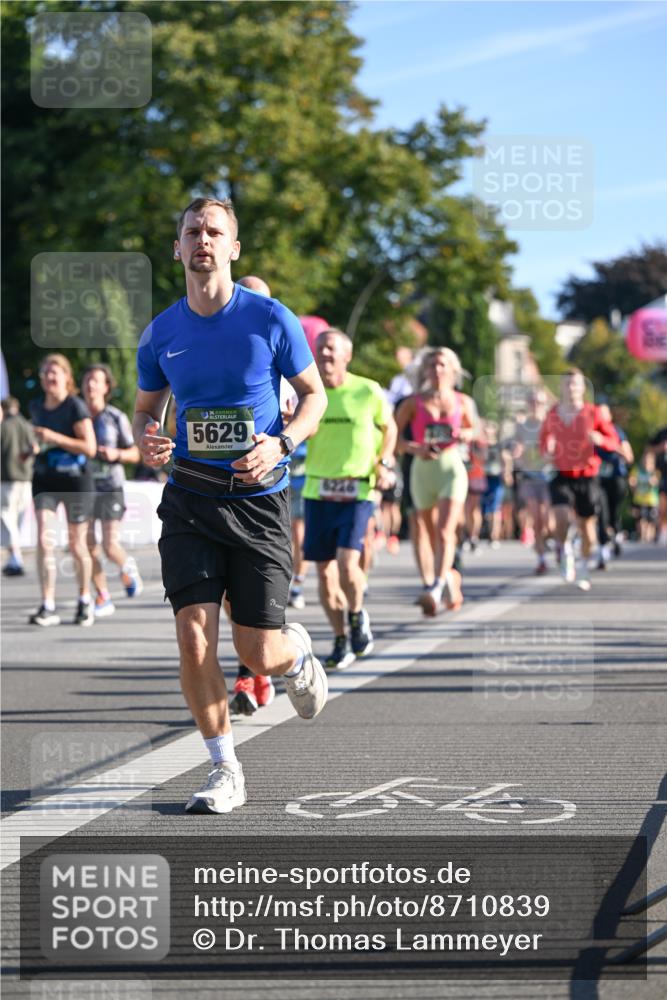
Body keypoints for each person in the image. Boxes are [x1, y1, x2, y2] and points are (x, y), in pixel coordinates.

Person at [133, 196, 328, 814]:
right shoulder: (161, 332)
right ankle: (224, 768)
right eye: (192, 230)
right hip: (189, 496)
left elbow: (313, 396)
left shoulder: (271, 319)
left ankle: (293, 657)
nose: (203, 239)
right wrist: (148, 435)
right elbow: (145, 409)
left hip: (260, 501)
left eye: (215, 231)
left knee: (255, 652)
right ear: (178, 247)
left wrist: (283, 443)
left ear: (233, 247)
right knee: (193, 639)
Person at [302, 328, 397, 670]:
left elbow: (390, 429)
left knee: (346, 563)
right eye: (319, 349)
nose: (324, 355)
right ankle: (340, 637)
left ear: (347, 354)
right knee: (325, 575)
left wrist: (385, 462)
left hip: (358, 488)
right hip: (317, 488)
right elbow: (305, 430)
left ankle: (356, 615)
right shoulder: (309, 391)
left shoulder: (367, 390)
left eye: (331, 349)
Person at [228, 275, 284, 716]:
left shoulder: (284, 345)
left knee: (259, 590)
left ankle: (263, 660)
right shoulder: (217, 346)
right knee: (227, 595)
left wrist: (286, 433)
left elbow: (313, 405)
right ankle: (250, 670)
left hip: (274, 487)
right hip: (215, 489)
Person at [395, 347, 476, 616]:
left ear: (452, 369)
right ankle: (449, 577)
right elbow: (393, 441)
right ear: (426, 371)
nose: (437, 370)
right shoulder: (412, 402)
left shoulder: (463, 401)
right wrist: (414, 448)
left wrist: (465, 433)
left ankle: (435, 588)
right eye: (432, 366)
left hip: (451, 468)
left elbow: (477, 429)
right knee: (428, 535)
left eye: (442, 365)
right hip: (422, 469)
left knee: (444, 531)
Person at [29, 354, 97, 626]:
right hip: (45, 478)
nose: (49, 377)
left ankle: (84, 599)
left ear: (67, 377)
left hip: (76, 480)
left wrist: (53, 437)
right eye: (45, 372)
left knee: (75, 543)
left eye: (54, 372)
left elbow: (90, 447)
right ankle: (47, 604)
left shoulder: (75, 406)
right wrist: (31, 449)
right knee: (44, 540)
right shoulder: (36, 406)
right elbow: (39, 441)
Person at [539, 368, 618, 590]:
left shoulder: (594, 413)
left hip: (587, 475)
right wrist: (547, 450)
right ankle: (564, 551)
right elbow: (543, 440)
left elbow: (613, 440)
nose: (571, 388)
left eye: (575, 384)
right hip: (561, 474)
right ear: (561, 387)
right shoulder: (553, 414)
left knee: (588, 532)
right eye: (567, 384)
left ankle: (583, 564)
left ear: (583, 388)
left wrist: (600, 438)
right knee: (561, 517)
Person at [80, 364, 143, 616]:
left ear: (106, 387)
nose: (90, 385)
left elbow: (135, 453)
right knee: (88, 546)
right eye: (87, 380)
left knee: (108, 544)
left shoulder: (114, 417)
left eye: (96, 380)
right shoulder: (75, 414)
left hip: (110, 487)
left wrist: (116, 453)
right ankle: (102, 596)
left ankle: (127, 564)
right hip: (82, 488)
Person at [513, 390, 552, 575]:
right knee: (536, 519)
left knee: (547, 520)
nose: (536, 405)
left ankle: (559, 543)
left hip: (548, 477)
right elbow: (517, 447)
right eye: (532, 402)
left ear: (544, 404)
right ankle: (541, 559)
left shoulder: (551, 424)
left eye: (539, 402)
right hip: (529, 476)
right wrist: (516, 457)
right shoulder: (522, 427)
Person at [595, 404, 633, 568]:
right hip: (597, 480)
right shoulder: (592, 433)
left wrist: (608, 444)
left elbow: (629, 457)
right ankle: (603, 552)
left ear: (609, 416)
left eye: (604, 414)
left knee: (613, 513)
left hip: (616, 479)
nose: (601, 417)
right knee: (601, 513)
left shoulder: (617, 431)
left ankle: (616, 535)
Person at [1, 397, 36, 576]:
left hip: (7, 478)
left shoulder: (3, 427)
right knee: (17, 521)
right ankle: (14, 557)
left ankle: (16, 557)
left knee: (7, 519)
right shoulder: (27, 425)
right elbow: (35, 448)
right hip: (26, 478)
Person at [629, 448, 660, 542]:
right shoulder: (637, 470)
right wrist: (633, 485)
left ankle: (650, 537)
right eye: (645, 460)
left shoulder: (655, 472)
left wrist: (652, 482)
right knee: (641, 519)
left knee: (651, 520)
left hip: (651, 500)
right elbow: (631, 480)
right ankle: (642, 536)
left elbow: (656, 481)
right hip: (640, 499)